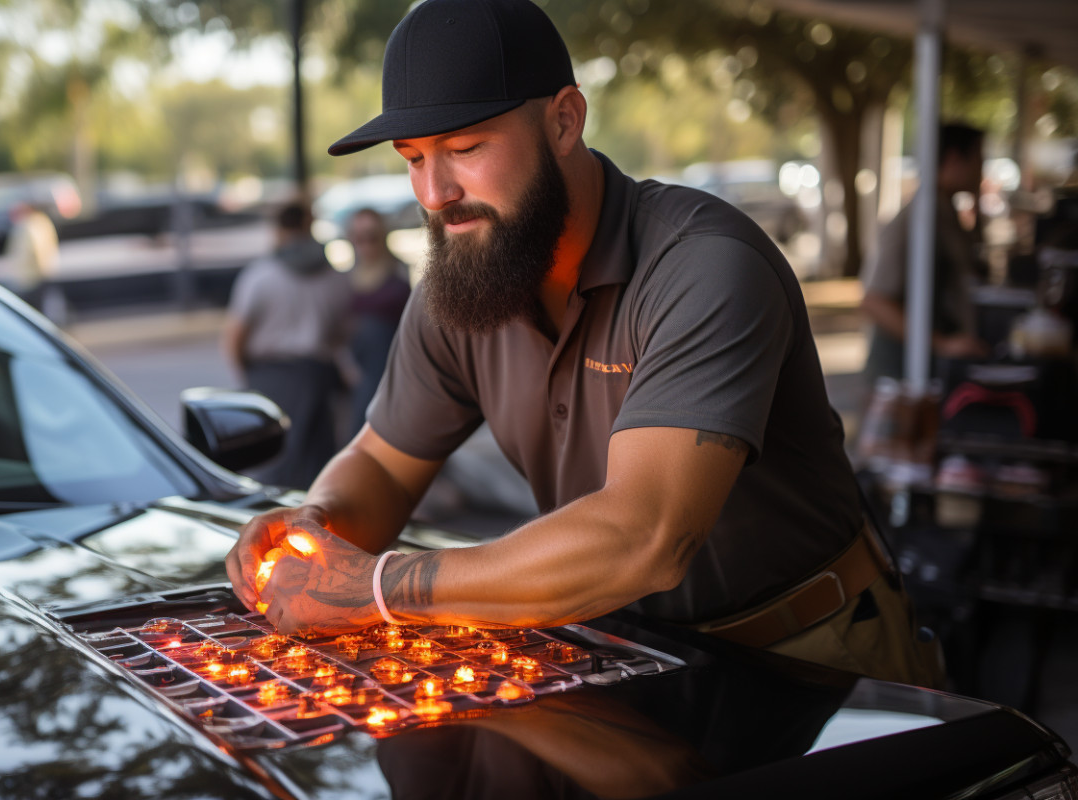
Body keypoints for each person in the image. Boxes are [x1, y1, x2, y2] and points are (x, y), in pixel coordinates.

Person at [226, 0, 942, 687]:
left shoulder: (704, 264)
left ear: (565, 121)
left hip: (810, 657)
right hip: (620, 652)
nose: (435, 192)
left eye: (466, 147)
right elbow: (381, 465)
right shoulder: (465, 273)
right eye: (413, 158)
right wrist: (314, 529)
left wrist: (379, 587)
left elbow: (643, 537)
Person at [223, 201, 352, 489]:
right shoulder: (334, 277)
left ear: (279, 230)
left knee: (271, 466)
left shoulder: (260, 276)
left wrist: (247, 377)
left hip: (269, 377)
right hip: (318, 375)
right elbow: (343, 333)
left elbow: (234, 337)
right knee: (318, 469)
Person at [860, 124, 990, 383]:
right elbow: (874, 301)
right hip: (899, 378)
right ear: (954, 159)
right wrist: (942, 344)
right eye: (978, 160)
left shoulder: (946, 212)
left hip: (924, 371)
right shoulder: (915, 219)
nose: (982, 170)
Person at [344, 207, 411, 437]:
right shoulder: (344, 278)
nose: (366, 245)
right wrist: (345, 363)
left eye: (372, 237)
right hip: (356, 370)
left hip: (390, 367)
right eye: (359, 238)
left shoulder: (399, 272)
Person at [4, 202, 67, 325]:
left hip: (31, 275)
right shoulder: (41, 222)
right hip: (39, 272)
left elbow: (35, 249)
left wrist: (41, 270)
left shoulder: (29, 225)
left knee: (33, 311)